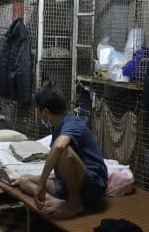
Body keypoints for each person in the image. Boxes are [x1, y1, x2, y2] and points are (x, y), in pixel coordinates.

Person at [17, 86, 107, 220]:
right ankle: (56, 202)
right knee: (24, 180)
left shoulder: (72, 122)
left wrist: (42, 182)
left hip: (93, 184)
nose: (37, 113)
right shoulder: (57, 127)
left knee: (63, 150)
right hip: (70, 184)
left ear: (45, 112)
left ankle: (75, 203)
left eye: (37, 109)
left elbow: (60, 147)